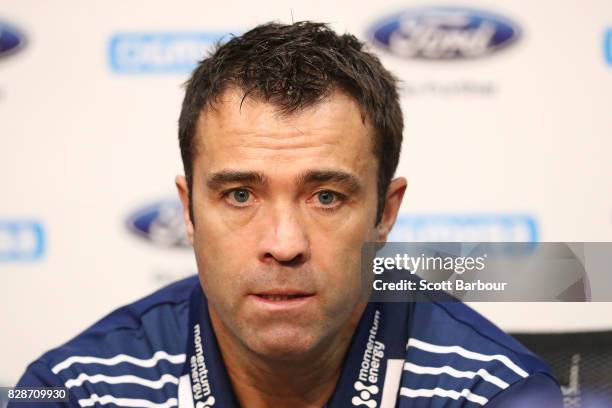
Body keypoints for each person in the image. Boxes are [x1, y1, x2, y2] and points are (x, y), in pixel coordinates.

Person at [12, 21, 562, 407]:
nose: (283, 243)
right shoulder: (74, 390)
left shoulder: (493, 393)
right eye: (240, 196)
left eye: (326, 196)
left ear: (384, 214)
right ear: (188, 210)